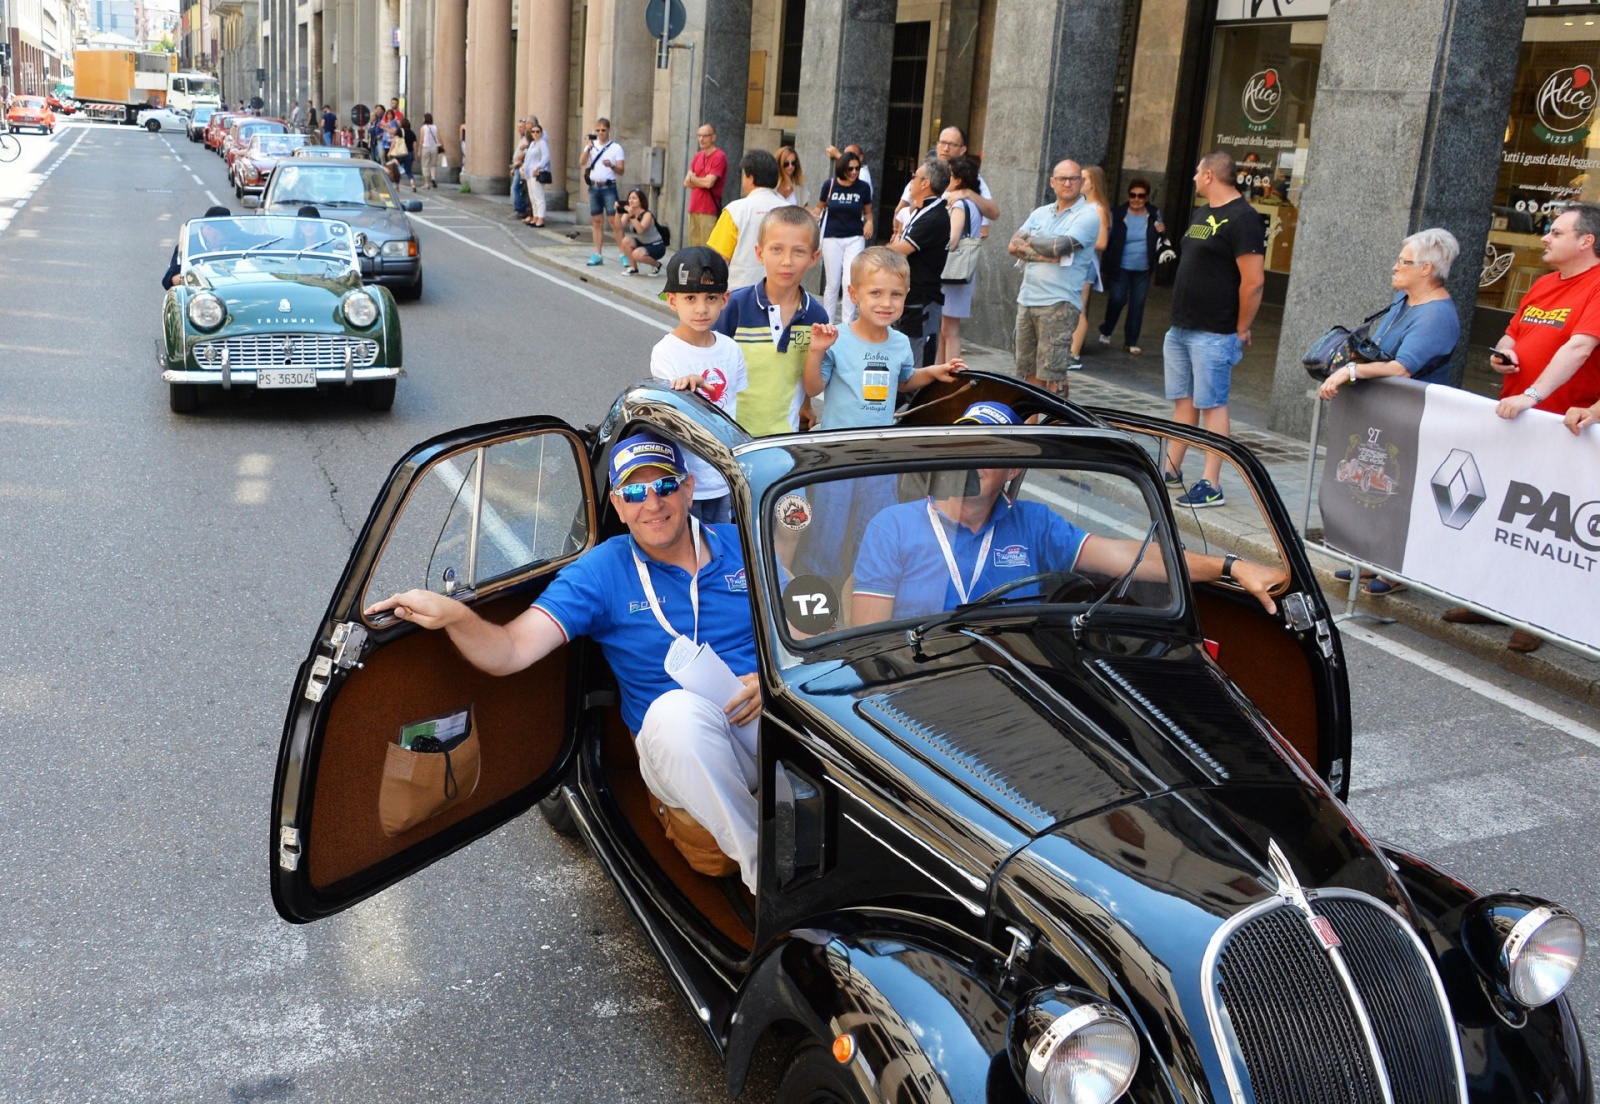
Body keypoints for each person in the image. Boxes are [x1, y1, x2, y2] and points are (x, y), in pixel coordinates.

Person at [366, 433, 763, 894]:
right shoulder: (600, 571)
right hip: (681, 750)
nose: (651, 502)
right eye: (634, 492)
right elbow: (512, 649)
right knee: (675, 714)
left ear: (690, 488)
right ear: (617, 503)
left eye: (665, 486)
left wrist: (775, 683)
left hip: (759, 717)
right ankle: (766, 869)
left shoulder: (744, 545)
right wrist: (455, 615)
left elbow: (812, 629)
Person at [850, 401, 1286, 623]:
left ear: (1014, 468)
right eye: (966, 446)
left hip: (1013, 679)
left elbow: (1130, 557)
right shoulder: (893, 526)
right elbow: (869, 651)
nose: (974, 458)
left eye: (991, 449)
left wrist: (1230, 565)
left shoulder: (1034, 524)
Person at [796, 248, 964, 578]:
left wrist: (932, 372)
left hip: (880, 456)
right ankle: (818, 597)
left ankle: (863, 591)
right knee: (827, 534)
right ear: (854, 294)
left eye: (895, 295)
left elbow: (902, 382)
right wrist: (816, 352)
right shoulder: (837, 339)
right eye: (876, 293)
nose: (886, 303)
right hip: (838, 454)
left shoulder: (900, 343)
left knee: (872, 529)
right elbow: (813, 388)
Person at [1320, 228, 1462, 599]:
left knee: (1400, 493)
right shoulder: (1404, 301)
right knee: (1375, 488)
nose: (1395, 266)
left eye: (1404, 261)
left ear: (1427, 269)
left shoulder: (1436, 315)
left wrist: (1350, 372)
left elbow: (1402, 367)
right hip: (1386, 412)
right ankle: (1370, 560)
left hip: (1413, 417)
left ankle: (1397, 569)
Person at [1161, 151, 1266, 509]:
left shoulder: (1244, 219)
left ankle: (1211, 483)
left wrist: (1241, 328)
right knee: (1184, 401)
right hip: (1182, 327)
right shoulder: (1202, 213)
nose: (1192, 178)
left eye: (1196, 172)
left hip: (1215, 331)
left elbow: (1253, 282)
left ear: (1209, 176)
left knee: (1212, 404)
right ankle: (1171, 470)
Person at [650, 248, 749, 522]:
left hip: (725, 476)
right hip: (685, 480)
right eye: (690, 298)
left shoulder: (731, 349)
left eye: (711, 298)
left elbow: (733, 408)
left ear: (725, 299)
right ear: (672, 300)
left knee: (721, 549)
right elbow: (667, 418)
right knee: (688, 551)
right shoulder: (665, 352)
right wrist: (685, 392)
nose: (701, 308)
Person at [714, 205, 829, 436]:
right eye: (776, 249)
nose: (786, 261)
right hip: (728, 436)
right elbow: (711, 367)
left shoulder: (817, 316)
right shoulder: (735, 306)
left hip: (783, 438)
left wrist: (806, 404)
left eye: (798, 252)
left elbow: (808, 376)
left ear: (813, 257)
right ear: (760, 253)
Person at [1489, 203, 1600, 423]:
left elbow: (1579, 348)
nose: (1544, 238)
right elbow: (1512, 335)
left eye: (1556, 233)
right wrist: (1503, 354)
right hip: (1514, 411)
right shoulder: (1544, 283)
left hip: (1565, 423)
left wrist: (1531, 395)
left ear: (1586, 241)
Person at [1008, 158, 1102, 397]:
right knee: (1028, 372)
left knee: (1054, 373)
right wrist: (1046, 254)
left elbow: (1059, 247)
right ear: (1052, 182)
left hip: (1059, 304)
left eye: (1073, 178)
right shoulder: (1040, 213)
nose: (1068, 183)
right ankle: (1029, 427)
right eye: (1062, 178)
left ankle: (1057, 426)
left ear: (1081, 181)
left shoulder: (1088, 216)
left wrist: (1032, 243)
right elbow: (1012, 245)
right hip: (1028, 300)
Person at [888, 157, 951, 367]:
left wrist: (891, 246)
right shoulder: (922, 210)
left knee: (917, 365)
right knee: (902, 358)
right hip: (911, 297)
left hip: (922, 300)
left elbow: (900, 250)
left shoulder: (934, 216)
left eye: (915, 176)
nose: (911, 181)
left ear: (926, 184)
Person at [1097, 178, 1166, 355]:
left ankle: (1131, 341)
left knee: (1138, 304)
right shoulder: (1118, 214)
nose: (1136, 199)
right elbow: (1107, 238)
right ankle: (1107, 329)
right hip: (1121, 265)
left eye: (1141, 196)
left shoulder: (1153, 214)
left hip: (1143, 267)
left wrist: (1162, 230)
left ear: (1147, 197)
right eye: (1133, 195)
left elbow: (1161, 235)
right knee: (1117, 299)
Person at [707, 149, 787, 292]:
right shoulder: (791, 210)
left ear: (750, 178)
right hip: (781, 293)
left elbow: (720, 259)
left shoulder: (735, 211)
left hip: (741, 291)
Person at [815, 152, 873, 325]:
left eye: (857, 168)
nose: (855, 171)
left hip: (854, 237)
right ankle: (828, 323)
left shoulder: (863, 187)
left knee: (850, 281)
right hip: (831, 238)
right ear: (842, 168)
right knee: (832, 283)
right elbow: (819, 209)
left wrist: (869, 222)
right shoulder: (830, 185)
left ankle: (847, 324)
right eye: (851, 168)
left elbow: (868, 211)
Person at [938, 154, 984, 364]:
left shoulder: (959, 205)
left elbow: (952, 239)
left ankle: (950, 371)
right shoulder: (970, 204)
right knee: (946, 327)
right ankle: (941, 370)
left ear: (957, 179)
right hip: (959, 271)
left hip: (953, 271)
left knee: (949, 328)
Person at [1068, 165, 1112, 370]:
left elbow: (1102, 243)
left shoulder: (1098, 209)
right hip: (1074, 262)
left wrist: (1076, 241)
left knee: (1079, 308)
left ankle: (1074, 354)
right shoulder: (1080, 206)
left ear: (1093, 183)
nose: (1079, 182)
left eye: (1083, 178)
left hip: (1087, 263)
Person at [581, 118, 626, 267]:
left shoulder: (616, 148)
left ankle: (623, 253)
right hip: (594, 187)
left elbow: (621, 170)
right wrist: (588, 148)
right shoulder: (591, 146)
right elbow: (581, 162)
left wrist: (612, 166)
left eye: (603, 130)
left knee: (614, 221)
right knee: (597, 221)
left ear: (608, 131)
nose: (600, 133)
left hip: (609, 187)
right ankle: (597, 254)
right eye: (598, 130)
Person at [163, 205, 233, 288]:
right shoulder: (188, 245)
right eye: (224, 231)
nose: (228, 234)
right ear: (208, 229)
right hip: (198, 294)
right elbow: (168, 281)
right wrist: (191, 278)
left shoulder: (233, 241)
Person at [684, 123, 727, 247]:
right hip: (693, 207)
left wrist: (693, 178)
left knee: (707, 249)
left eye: (705, 136)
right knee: (694, 247)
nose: (701, 139)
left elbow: (709, 183)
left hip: (709, 209)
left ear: (713, 137)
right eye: (699, 136)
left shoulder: (719, 156)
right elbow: (686, 182)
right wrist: (696, 180)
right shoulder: (698, 156)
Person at [619, 188, 668, 275]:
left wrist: (632, 216)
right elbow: (619, 226)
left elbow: (640, 230)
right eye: (630, 198)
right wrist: (617, 211)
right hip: (643, 242)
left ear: (641, 201)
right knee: (625, 241)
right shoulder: (629, 212)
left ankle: (657, 265)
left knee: (636, 254)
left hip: (656, 245)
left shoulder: (647, 214)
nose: (631, 201)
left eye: (634, 198)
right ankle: (633, 268)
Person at [522, 120, 550, 226]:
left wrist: (538, 167)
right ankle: (536, 216)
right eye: (533, 132)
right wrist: (523, 169)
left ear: (541, 133)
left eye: (537, 132)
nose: (535, 134)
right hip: (529, 173)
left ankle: (541, 218)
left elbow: (546, 157)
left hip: (537, 173)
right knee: (532, 197)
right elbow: (527, 159)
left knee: (539, 196)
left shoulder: (542, 143)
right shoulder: (533, 144)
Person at [509, 118, 531, 219]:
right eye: (518, 127)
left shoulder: (527, 139)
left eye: (521, 127)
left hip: (521, 166)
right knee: (518, 188)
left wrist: (517, 163)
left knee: (517, 188)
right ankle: (520, 208)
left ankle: (520, 209)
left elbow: (526, 154)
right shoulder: (522, 138)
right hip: (517, 166)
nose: (519, 129)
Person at [419, 112, 442, 190]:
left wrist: (419, 150)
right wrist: (442, 146)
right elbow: (439, 137)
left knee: (425, 165)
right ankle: (433, 178)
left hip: (426, 147)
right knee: (433, 165)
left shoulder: (423, 128)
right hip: (434, 148)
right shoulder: (435, 127)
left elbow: (421, 139)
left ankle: (426, 183)